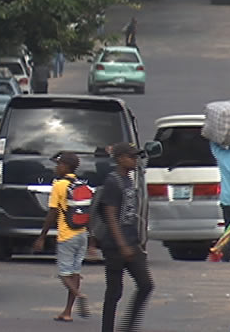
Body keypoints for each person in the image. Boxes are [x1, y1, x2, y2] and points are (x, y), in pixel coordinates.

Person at [99, 142, 153, 332]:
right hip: (115, 245)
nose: (135, 160)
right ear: (120, 158)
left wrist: (136, 243)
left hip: (131, 241)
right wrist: (122, 244)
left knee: (146, 285)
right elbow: (111, 215)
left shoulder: (129, 181)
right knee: (114, 291)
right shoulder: (112, 182)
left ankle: (128, 326)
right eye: (131, 157)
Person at [33, 152, 91, 322]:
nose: (56, 168)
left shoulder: (59, 185)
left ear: (66, 166)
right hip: (82, 235)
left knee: (64, 274)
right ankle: (67, 312)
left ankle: (79, 295)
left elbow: (52, 213)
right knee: (75, 274)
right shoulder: (81, 183)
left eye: (58, 164)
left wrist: (42, 237)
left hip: (67, 236)